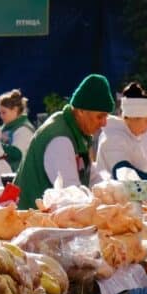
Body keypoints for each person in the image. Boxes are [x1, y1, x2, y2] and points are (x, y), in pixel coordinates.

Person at [13, 74, 113, 209]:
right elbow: (71, 194)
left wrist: (115, 193)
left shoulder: (77, 134)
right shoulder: (60, 139)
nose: (104, 123)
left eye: (106, 116)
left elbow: (92, 179)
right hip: (30, 221)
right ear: (81, 111)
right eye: (100, 117)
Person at [95, 82, 147, 182]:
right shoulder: (114, 138)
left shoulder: (129, 137)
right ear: (134, 117)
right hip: (110, 195)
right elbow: (123, 173)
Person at [0, 89, 35, 169]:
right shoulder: (6, 127)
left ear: (15, 110)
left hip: (18, 178)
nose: (1, 116)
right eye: (0, 112)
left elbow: (17, 154)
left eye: (4, 112)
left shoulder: (24, 129)